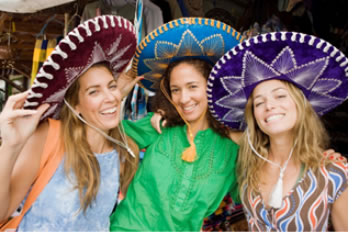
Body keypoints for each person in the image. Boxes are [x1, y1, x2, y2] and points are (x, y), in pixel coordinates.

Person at [0, 15, 140, 232]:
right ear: (76, 105)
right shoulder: (49, 137)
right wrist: (10, 145)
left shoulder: (124, 151)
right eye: (94, 91)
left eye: (111, 86)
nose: (111, 97)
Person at [110, 17, 244, 231]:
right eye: (175, 89)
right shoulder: (159, 125)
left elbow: (258, 192)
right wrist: (116, 95)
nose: (183, 98)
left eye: (192, 87)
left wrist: (244, 139)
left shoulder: (233, 149)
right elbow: (101, 138)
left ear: (212, 87)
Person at [207, 31, 348, 231]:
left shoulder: (334, 172)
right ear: (254, 116)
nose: (269, 106)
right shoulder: (249, 167)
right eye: (259, 102)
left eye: (280, 96)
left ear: (301, 105)